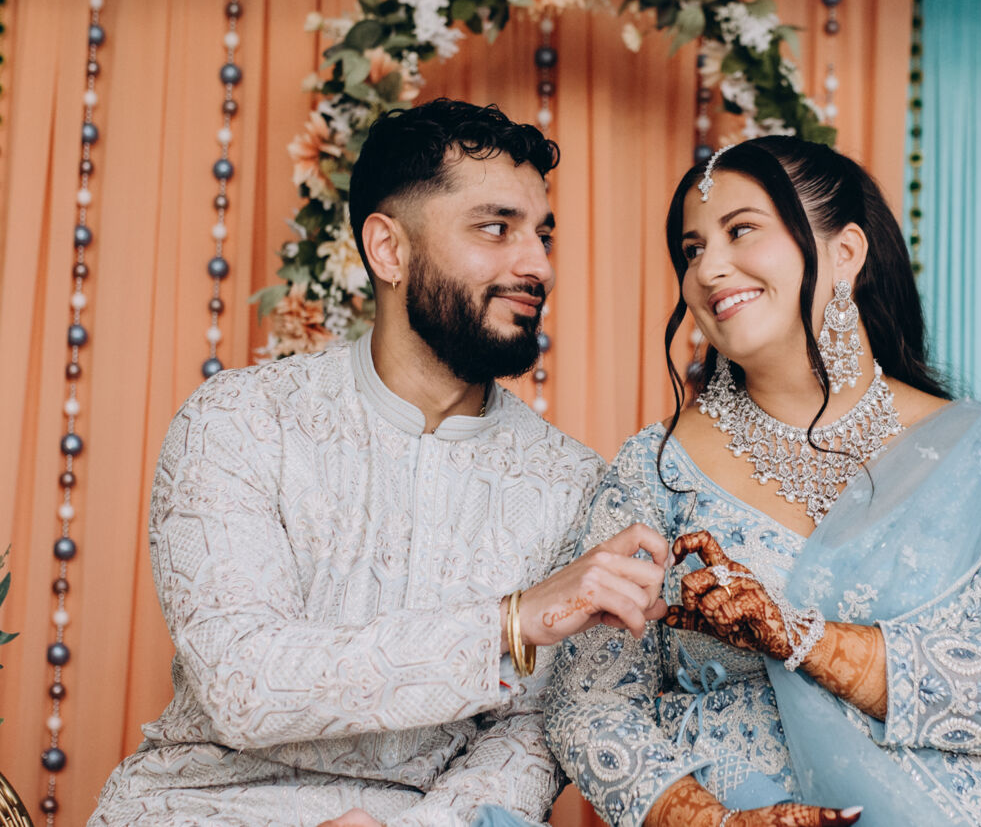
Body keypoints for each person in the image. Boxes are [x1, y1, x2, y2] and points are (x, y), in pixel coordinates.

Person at [545, 137, 981, 827]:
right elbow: (587, 703)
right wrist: (710, 821)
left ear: (846, 252)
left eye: (741, 230)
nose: (708, 268)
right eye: (691, 248)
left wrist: (801, 637)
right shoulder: (657, 471)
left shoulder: (978, 452)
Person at [89, 99, 671, 827]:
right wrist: (508, 623)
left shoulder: (571, 482)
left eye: (542, 234)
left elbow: (531, 734)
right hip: (201, 806)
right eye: (497, 228)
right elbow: (243, 683)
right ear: (388, 249)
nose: (538, 266)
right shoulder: (240, 420)